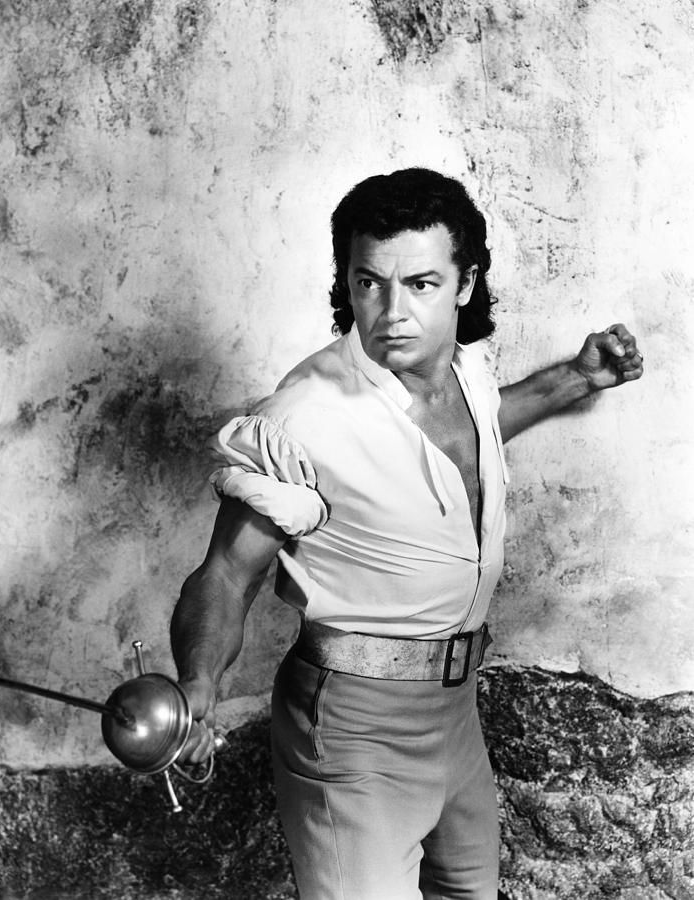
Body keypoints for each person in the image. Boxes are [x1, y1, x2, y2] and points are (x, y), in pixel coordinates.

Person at [170, 168, 643, 900]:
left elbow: (472, 433)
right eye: (369, 283)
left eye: (420, 284)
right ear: (348, 282)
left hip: (457, 715)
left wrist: (575, 381)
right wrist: (199, 682)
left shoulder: (466, 372)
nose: (391, 313)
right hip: (352, 727)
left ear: (464, 284)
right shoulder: (304, 417)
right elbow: (227, 575)